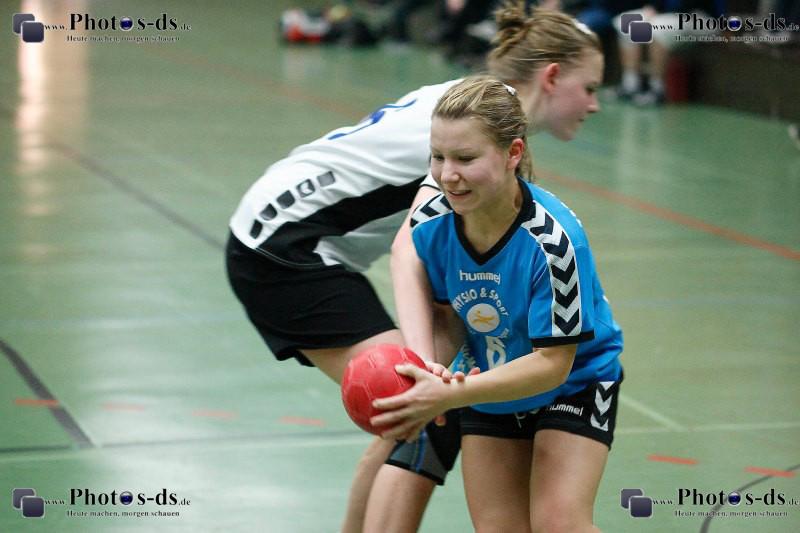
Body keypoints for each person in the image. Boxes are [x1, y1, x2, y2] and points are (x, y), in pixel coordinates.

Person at [226, 2, 603, 531]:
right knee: (420, 406)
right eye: (589, 88)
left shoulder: (472, 105)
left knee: (421, 406)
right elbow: (408, 249)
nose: (595, 104)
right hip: (287, 249)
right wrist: (424, 368)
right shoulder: (472, 130)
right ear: (552, 76)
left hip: (283, 232)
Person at [370, 76, 624, 532]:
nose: (448, 174)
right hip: (489, 381)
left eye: (466, 158)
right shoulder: (431, 224)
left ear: (513, 153)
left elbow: (553, 364)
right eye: (438, 157)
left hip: (576, 383)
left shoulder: (554, 242)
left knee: (558, 523)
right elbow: (447, 315)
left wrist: (453, 393)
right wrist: (429, 373)